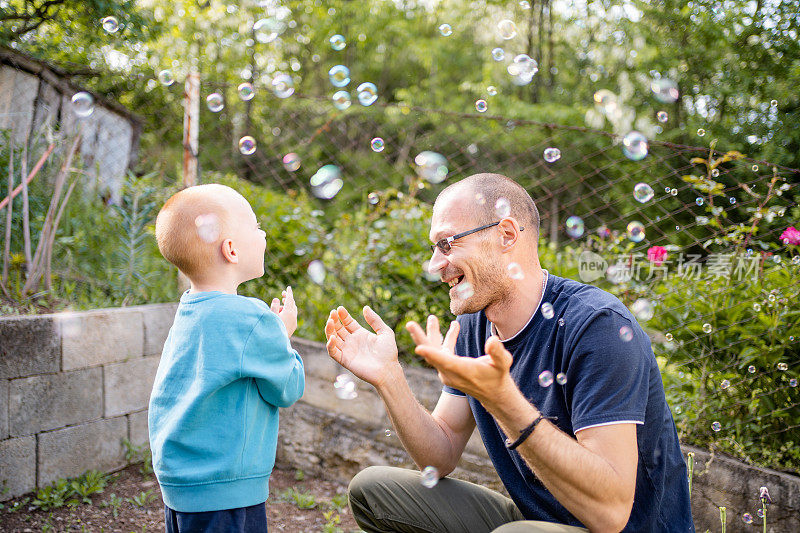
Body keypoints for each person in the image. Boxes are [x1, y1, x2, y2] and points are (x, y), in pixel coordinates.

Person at [325, 173, 693, 533]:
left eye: (447, 244)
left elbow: (610, 515)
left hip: (616, 526)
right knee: (373, 491)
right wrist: (389, 379)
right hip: (536, 520)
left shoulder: (598, 326)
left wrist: (501, 400)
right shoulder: (475, 324)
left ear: (505, 235)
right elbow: (440, 454)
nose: (434, 265)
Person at [149, 184, 305, 533]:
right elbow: (288, 388)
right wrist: (282, 333)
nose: (262, 233)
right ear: (231, 249)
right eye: (255, 226)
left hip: (182, 489)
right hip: (226, 493)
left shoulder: (190, 308)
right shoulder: (251, 316)